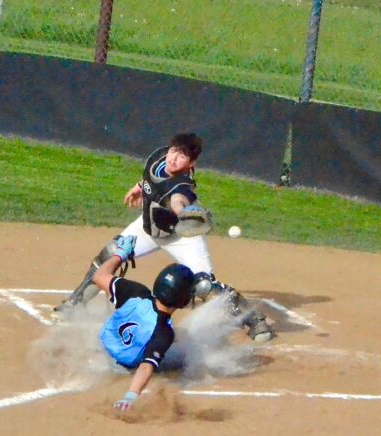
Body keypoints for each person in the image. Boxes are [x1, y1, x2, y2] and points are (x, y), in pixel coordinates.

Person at [54, 132, 273, 343]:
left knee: (205, 286)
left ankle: (254, 320)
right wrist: (139, 187)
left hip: (181, 235)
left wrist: (183, 213)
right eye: (173, 151)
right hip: (148, 228)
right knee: (109, 255)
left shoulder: (182, 185)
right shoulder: (158, 157)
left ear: (191, 163)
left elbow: (177, 200)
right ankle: (75, 303)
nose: (173, 159)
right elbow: (150, 178)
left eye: (182, 156)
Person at [92, 234, 195, 411]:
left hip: (96, 349)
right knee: (180, 358)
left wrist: (121, 254)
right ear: (182, 300)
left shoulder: (136, 292)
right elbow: (146, 367)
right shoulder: (164, 332)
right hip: (118, 369)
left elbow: (99, 276)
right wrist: (130, 396)